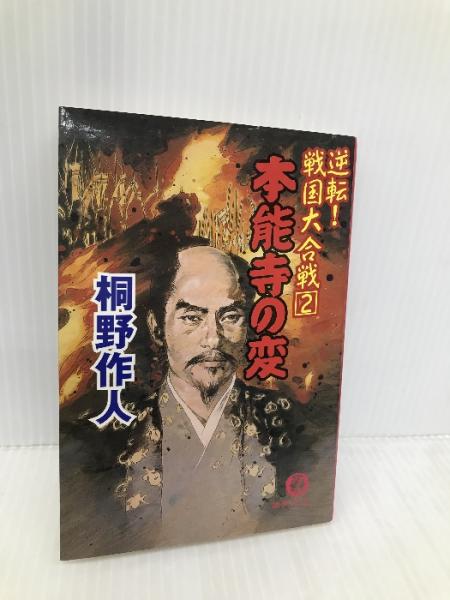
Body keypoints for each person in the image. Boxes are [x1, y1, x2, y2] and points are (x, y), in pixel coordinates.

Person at [115, 241, 311, 549]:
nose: (213, 339)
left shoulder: (286, 421)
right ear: (157, 328)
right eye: (192, 318)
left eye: (230, 316)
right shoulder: (115, 431)